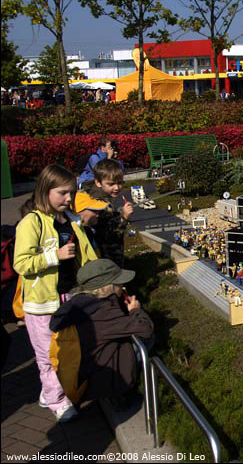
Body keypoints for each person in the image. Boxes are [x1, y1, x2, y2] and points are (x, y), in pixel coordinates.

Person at [13, 164, 98, 422]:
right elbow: (21, 263)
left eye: (71, 192)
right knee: (48, 356)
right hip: (41, 304)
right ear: (46, 190)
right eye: (62, 193)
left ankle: (51, 391)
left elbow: (88, 255)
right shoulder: (32, 222)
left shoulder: (72, 220)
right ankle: (57, 401)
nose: (69, 198)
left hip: (71, 297)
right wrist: (53, 256)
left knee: (70, 350)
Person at [49, 259, 154, 407]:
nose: (123, 286)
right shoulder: (103, 311)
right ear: (107, 287)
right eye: (119, 283)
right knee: (145, 341)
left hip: (85, 373)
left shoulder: (78, 304)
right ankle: (117, 392)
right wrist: (136, 310)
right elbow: (146, 328)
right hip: (101, 380)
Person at [82, 159, 133, 267]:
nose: (117, 187)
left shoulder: (91, 195)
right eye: (111, 184)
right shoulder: (100, 205)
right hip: (107, 258)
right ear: (98, 182)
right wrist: (123, 218)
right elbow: (111, 235)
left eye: (120, 183)